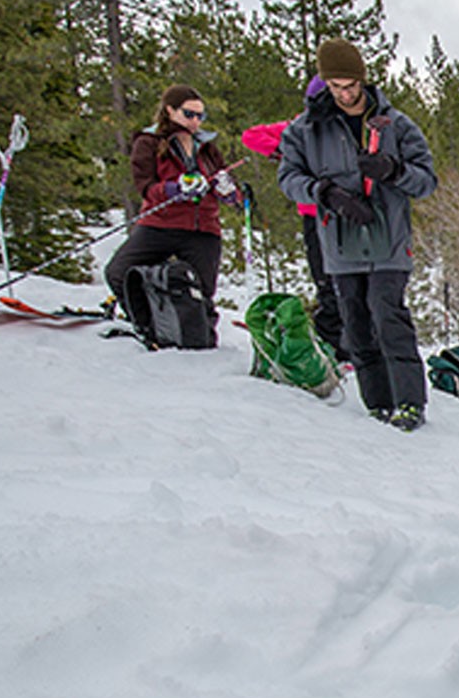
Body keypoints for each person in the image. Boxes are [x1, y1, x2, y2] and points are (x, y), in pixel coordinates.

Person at [277, 39, 438, 430]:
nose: (345, 94)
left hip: (390, 241)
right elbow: (289, 178)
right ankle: (377, 403)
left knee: (387, 314)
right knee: (356, 322)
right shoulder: (305, 130)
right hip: (340, 240)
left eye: (351, 85)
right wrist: (325, 193)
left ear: (363, 81)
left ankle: (410, 403)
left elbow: (427, 181)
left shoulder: (395, 124)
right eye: (336, 86)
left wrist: (394, 171)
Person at [106, 84, 242, 328]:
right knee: (119, 272)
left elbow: (229, 186)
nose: (195, 121)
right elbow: (145, 186)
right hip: (160, 224)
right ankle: (147, 325)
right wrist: (173, 189)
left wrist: (229, 192)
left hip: (203, 228)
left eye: (200, 116)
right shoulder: (149, 142)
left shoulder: (207, 147)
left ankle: (200, 338)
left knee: (202, 292)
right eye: (189, 114)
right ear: (170, 110)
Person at [240, 76, 349, 364]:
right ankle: (334, 346)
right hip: (315, 215)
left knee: (353, 282)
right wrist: (284, 151)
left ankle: (357, 343)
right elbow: (251, 135)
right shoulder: (298, 128)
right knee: (325, 280)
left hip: (348, 214)